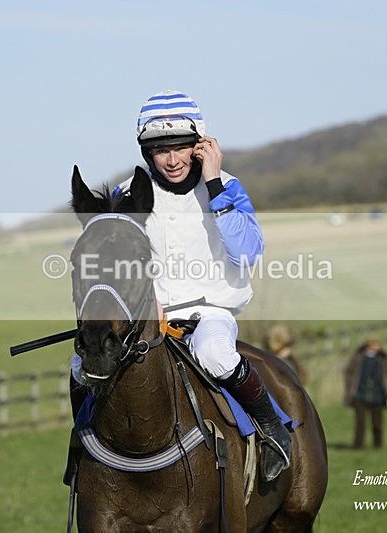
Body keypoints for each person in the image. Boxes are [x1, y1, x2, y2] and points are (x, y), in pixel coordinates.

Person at [71, 89, 291, 482]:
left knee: (216, 355)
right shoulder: (128, 193)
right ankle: (83, 449)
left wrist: (214, 185)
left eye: (181, 148)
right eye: (160, 150)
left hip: (210, 312)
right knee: (80, 367)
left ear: (200, 145)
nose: (172, 160)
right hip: (147, 316)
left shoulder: (227, 186)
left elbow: (247, 252)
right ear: (146, 153)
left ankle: (273, 429)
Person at [343, 338, 387, 449]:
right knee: (360, 423)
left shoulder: (383, 358)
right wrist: (350, 391)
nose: (376, 346)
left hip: (378, 395)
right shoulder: (358, 357)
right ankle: (358, 446)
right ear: (368, 344)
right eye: (374, 344)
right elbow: (349, 373)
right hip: (360, 395)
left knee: (377, 423)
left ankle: (378, 446)